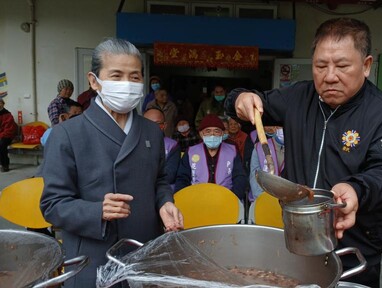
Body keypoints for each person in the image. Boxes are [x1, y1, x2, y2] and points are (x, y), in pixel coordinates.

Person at [224, 17, 382, 287]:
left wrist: (357, 189)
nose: (330, 76)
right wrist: (240, 99)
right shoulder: (298, 98)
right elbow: (251, 102)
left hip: (355, 244)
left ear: (366, 65)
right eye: (321, 66)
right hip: (299, 239)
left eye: (342, 66)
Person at [40, 38, 184, 287]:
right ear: (94, 80)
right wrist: (96, 211)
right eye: (116, 76)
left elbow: (159, 179)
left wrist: (165, 203)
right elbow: (52, 205)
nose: (127, 84)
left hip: (143, 250)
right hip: (93, 256)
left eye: (135, 77)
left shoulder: (151, 131)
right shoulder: (67, 134)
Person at [174, 114, 248, 201]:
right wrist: (185, 198)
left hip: (226, 199)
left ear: (222, 133)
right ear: (201, 134)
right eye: (208, 131)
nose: (212, 134)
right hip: (197, 199)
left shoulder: (232, 150)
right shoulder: (191, 151)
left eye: (216, 131)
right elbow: (182, 178)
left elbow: (239, 177)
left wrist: (233, 197)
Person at [143, 107, 180, 188]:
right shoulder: (135, 144)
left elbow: (170, 175)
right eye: (148, 123)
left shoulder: (172, 145)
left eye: (157, 123)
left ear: (164, 125)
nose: (152, 127)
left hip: (164, 191)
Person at [249, 126, 285, 201]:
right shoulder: (259, 147)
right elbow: (254, 176)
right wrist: (262, 198)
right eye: (279, 127)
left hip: (288, 200)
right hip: (263, 198)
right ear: (274, 128)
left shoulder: (297, 148)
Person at [0, 98, 18, 172]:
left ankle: (5, 165)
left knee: (1, 145)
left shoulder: (7, 114)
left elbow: (9, 129)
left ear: (3, 104)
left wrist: (1, 135)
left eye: (0, 102)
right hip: (1, 135)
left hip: (7, 135)